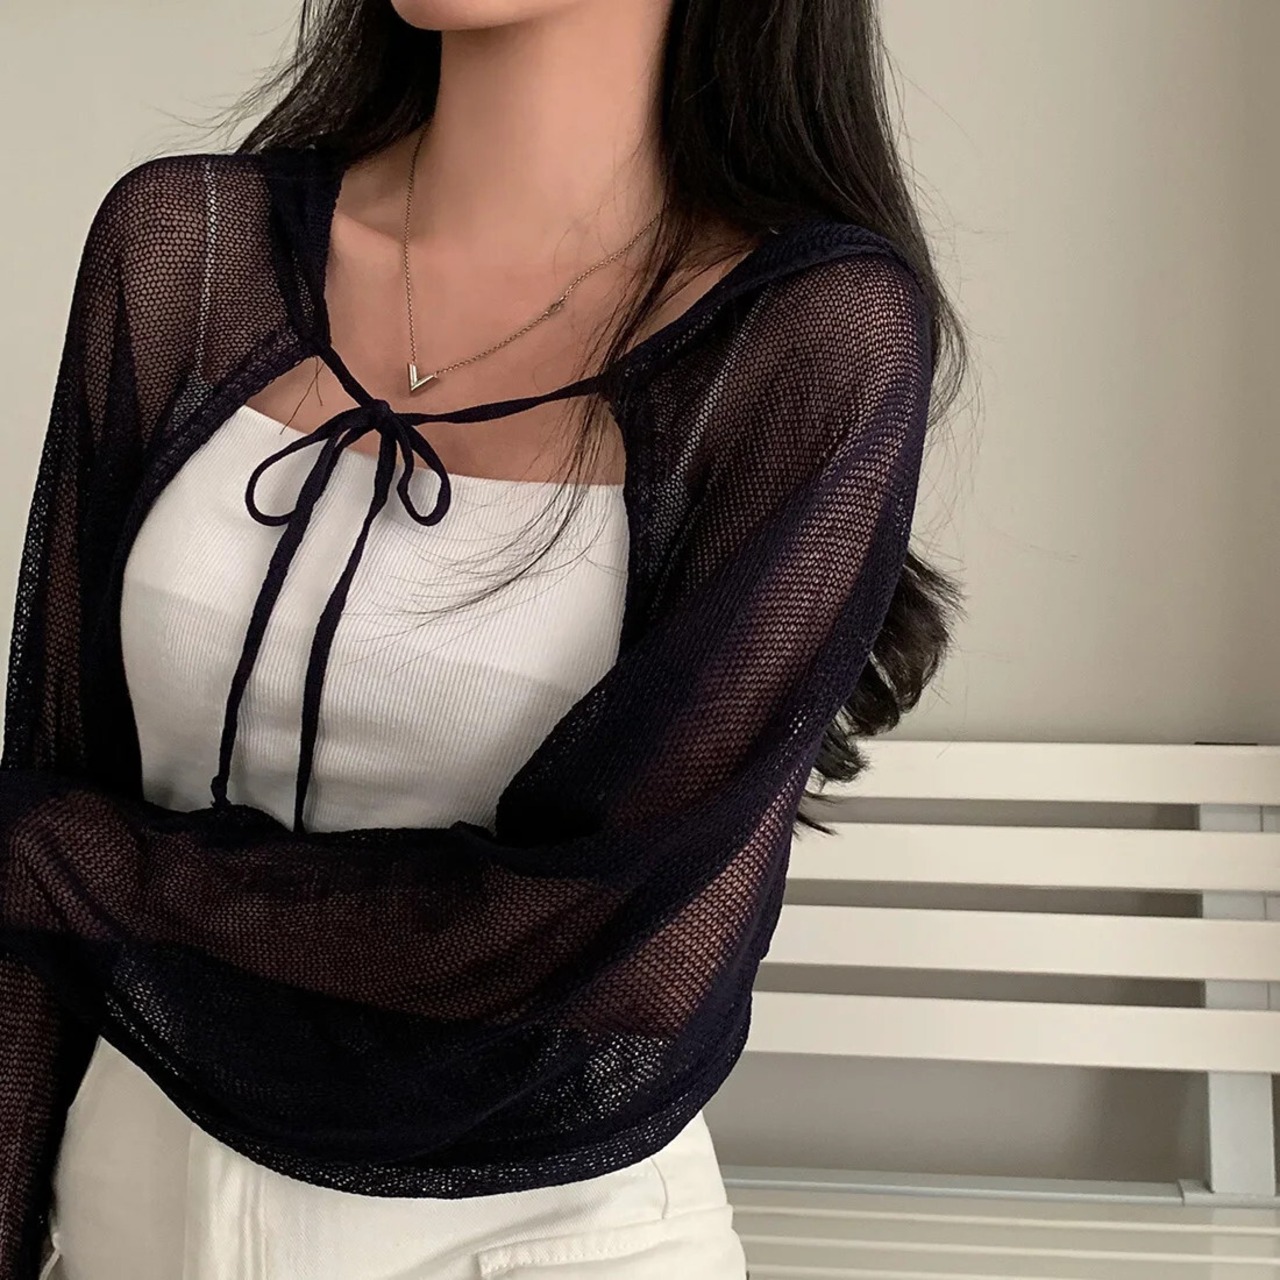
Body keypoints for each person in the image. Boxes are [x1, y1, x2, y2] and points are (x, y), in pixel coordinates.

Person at [6, 1, 970, 1276]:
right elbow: (45, 814)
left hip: (526, 1239)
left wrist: (68, 857)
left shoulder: (802, 334)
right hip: (131, 1205)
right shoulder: (188, 244)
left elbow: (617, 946)